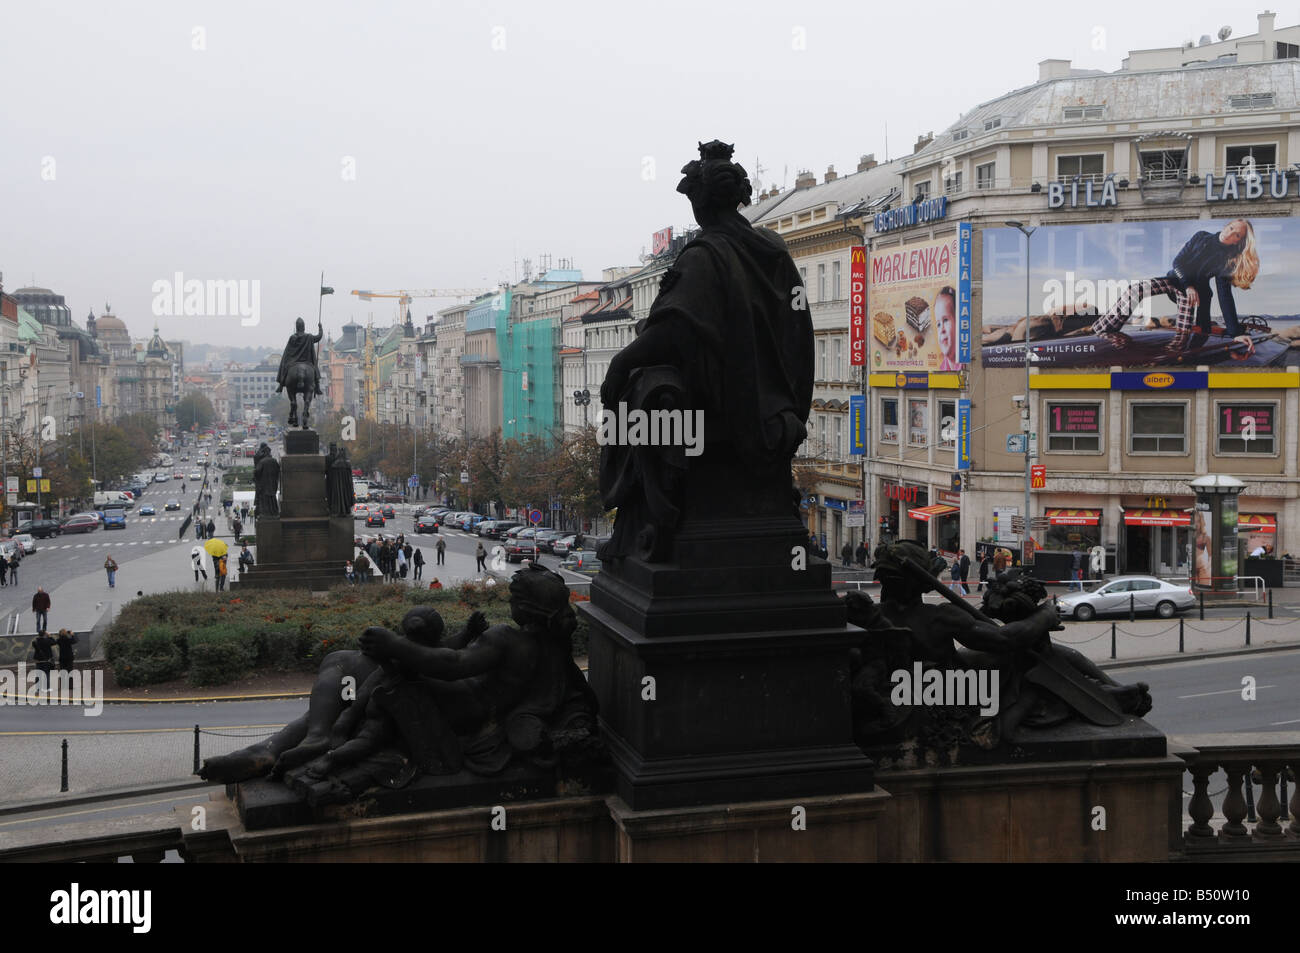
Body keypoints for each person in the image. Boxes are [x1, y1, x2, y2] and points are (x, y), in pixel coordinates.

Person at [1088, 219, 1260, 357]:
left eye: (1236, 234)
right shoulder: (1201, 237)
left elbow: (1225, 295)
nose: (1229, 234)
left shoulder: (1227, 260)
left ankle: (1171, 357)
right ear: (1226, 225)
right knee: (1135, 290)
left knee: (1184, 331)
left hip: (1192, 296)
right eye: (1230, 227)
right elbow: (1178, 262)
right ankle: (1098, 330)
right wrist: (1189, 285)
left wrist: (1234, 333)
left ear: (1238, 242)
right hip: (1174, 279)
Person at [934, 286, 962, 371]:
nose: (942, 330)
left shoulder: (968, 364)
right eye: (938, 324)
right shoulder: (942, 369)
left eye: (945, 320)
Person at [32, 630, 55, 696]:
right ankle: (46, 688)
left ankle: (38, 688)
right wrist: (49, 636)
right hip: (46, 660)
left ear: (38, 635)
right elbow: (54, 642)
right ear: (44, 634)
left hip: (38, 660)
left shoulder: (35, 642)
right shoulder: (47, 641)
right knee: (46, 674)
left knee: (38, 674)